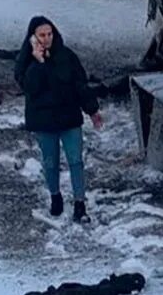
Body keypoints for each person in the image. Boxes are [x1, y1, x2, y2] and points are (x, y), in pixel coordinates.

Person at [14, 17, 103, 223]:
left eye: (49, 34)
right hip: (44, 121)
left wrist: (92, 110)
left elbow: (80, 84)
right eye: (42, 35)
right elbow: (29, 87)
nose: (47, 39)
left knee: (76, 161)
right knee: (50, 162)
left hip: (69, 117)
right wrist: (38, 62)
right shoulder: (26, 61)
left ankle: (80, 204)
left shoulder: (67, 56)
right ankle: (55, 196)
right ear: (33, 38)